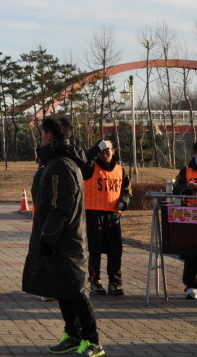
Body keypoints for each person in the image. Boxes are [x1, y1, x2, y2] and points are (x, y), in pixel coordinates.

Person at [22, 115, 104, 357]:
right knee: (62, 288)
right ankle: (73, 335)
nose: (40, 137)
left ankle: (93, 341)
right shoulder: (55, 162)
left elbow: (60, 206)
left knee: (76, 291)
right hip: (58, 238)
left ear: (49, 136)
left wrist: (48, 236)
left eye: (42, 133)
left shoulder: (61, 165)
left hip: (67, 241)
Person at [81, 139, 132, 296]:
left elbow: (127, 191)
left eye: (107, 151)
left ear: (113, 151)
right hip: (93, 213)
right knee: (94, 249)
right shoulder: (90, 168)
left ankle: (115, 282)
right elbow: (84, 163)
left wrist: (124, 202)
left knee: (115, 249)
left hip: (113, 215)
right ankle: (94, 281)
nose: (105, 154)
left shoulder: (120, 170)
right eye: (101, 152)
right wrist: (95, 150)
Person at [172, 139, 197, 300]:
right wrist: (187, 187)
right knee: (191, 254)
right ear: (194, 154)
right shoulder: (186, 170)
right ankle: (191, 286)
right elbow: (176, 189)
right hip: (192, 216)